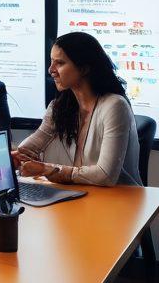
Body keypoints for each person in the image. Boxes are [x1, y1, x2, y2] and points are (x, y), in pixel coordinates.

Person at [14, 31, 143, 186]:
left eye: (60, 63)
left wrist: (47, 169)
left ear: (84, 68)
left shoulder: (115, 106)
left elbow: (105, 176)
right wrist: (15, 157)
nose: (51, 70)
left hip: (119, 199)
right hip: (80, 195)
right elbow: (31, 148)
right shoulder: (58, 107)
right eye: (51, 62)